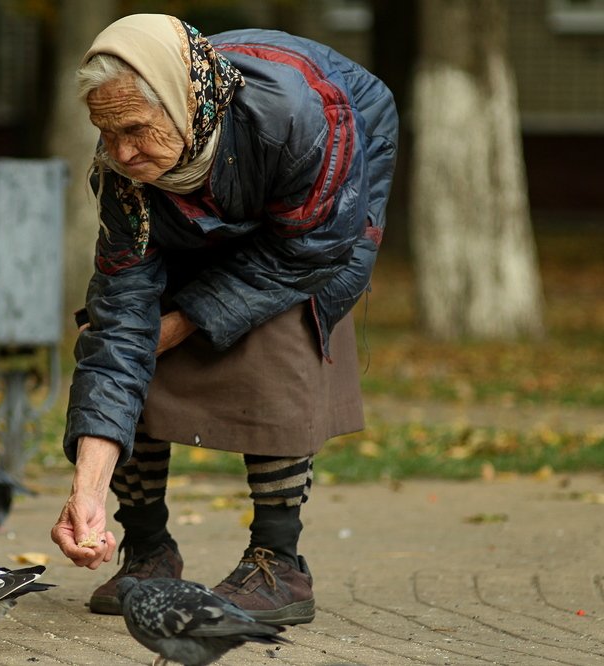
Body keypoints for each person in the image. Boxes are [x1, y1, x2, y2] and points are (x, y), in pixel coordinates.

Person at [50, 14, 398, 626]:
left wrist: (182, 323)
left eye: (134, 129)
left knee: (281, 329)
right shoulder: (124, 176)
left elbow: (309, 251)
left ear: (187, 104)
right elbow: (121, 328)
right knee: (120, 335)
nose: (122, 152)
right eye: (106, 132)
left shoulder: (299, 117)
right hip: (213, 192)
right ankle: (148, 549)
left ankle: (278, 562)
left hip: (320, 214)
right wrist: (86, 492)